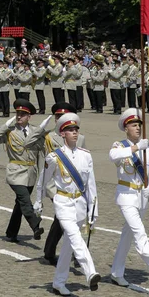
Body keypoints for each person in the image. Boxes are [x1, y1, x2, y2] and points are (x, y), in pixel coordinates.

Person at [37, 113, 101, 296]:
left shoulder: (86, 156)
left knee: (68, 245)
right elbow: (43, 181)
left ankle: (58, 282)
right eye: (70, 130)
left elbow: (91, 185)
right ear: (62, 134)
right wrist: (38, 203)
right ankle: (91, 272)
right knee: (75, 237)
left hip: (80, 203)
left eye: (76, 129)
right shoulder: (54, 157)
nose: (74, 132)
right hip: (63, 202)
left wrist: (92, 210)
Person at [109, 108, 149, 287]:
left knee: (127, 236)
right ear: (125, 128)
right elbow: (113, 156)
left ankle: (116, 272)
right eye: (133, 125)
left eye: (139, 125)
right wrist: (135, 148)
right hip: (126, 196)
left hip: (142, 197)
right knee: (139, 232)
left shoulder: (148, 148)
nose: (137, 128)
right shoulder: (119, 146)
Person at [26, 102, 86, 264]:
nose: (58, 119)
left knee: (68, 218)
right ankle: (72, 253)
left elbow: (81, 163)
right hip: (54, 185)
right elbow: (28, 144)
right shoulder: (47, 136)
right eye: (57, 116)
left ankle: (52, 250)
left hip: (73, 185)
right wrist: (40, 128)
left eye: (62, 116)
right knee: (64, 218)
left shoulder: (79, 138)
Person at [0, 99, 45, 243]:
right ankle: (35, 225)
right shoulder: (10, 131)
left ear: (29, 117)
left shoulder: (35, 131)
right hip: (15, 171)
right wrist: (6, 124)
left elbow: (43, 148)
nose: (19, 116)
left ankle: (11, 233)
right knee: (25, 200)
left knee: (20, 204)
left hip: (31, 172)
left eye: (23, 114)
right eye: (17, 113)